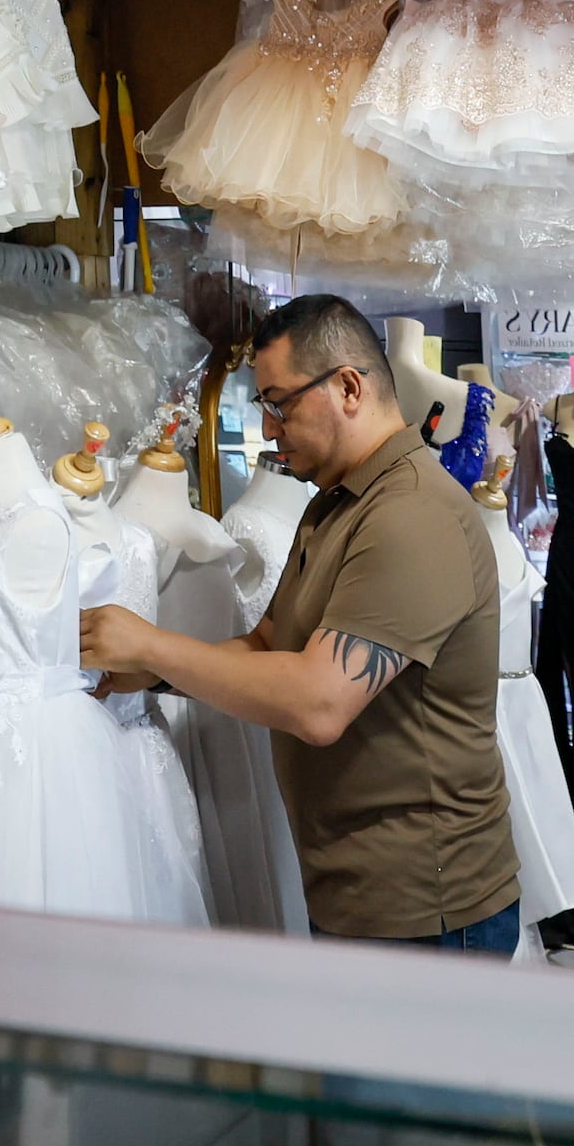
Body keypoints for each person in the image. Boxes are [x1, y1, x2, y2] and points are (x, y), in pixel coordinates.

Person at [80, 293, 518, 948]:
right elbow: (267, 644)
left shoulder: (412, 516)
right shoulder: (335, 506)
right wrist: (153, 674)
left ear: (347, 387)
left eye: (279, 403)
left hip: (427, 904)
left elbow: (319, 703)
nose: (270, 428)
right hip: (353, 892)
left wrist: (154, 645)